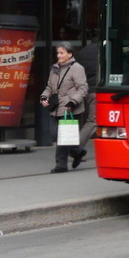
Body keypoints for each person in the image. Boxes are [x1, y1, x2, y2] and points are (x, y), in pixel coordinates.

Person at [39, 41, 89, 173]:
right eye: (58, 53)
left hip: (70, 108)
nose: (59, 56)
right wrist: (44, 97)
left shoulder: (77, 68)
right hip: (56, 108)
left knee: (62, 137)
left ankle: (61, 165)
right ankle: (77, 152)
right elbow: (50, 87)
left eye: (62, 53)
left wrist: (72, 102)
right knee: (56, 135)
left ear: (70, 54)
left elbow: (83, 88)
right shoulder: (55, 68)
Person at [72, 40, 100, 169]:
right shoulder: (104, 50)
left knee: (92, 119)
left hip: (88, 89)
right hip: (98, 90)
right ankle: (75, 148)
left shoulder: (83, 52)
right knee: (93, 121)